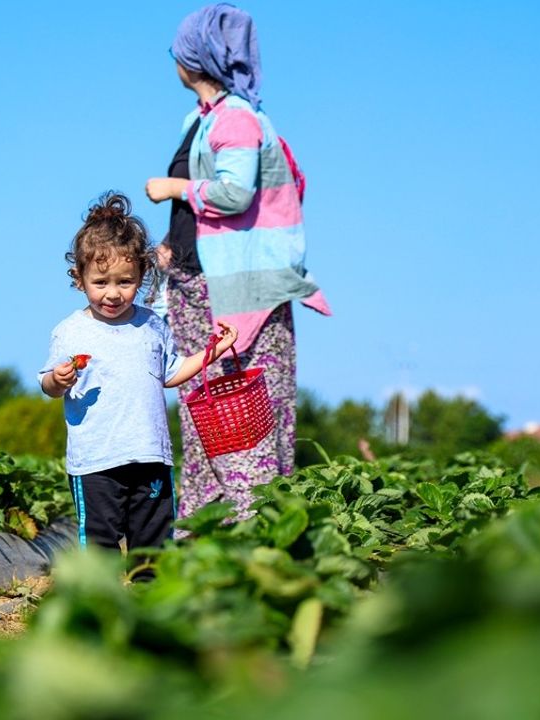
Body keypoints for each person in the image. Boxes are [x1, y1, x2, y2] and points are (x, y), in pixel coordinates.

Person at [145, 3, 330, 526]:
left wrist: (174, 187)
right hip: (193, 282)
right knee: (203, 407)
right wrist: (168, 248)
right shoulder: (200, 120)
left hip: (233, 292)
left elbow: (234, 194)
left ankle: (255, 526)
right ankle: (206, 525)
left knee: (244, 410)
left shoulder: (237, 119)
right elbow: (203, 217)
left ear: (193, 57)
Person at [40, 192, 236, 554]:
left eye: (125, 282)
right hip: (96, 460)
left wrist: (214, 350)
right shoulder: (70, 332)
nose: (113, 293)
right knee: (100, 544)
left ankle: (150, 590)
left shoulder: (152, 326)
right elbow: (48, 384)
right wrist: (58, 379)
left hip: (150, 455)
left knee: (154, 543)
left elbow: (172, 372)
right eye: (101, 282)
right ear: (80, 279)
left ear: (142, 276)